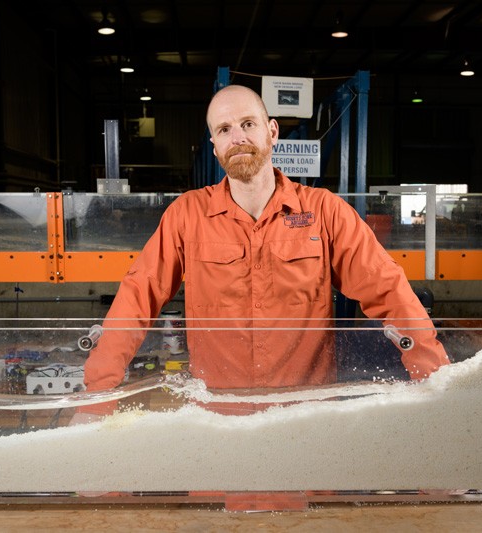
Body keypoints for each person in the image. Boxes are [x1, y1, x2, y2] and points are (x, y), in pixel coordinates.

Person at [83, 84, 449, 394]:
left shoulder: (325, 212)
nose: (237, 137)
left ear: (271, 131)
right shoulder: (186, 216)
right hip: (218, 419)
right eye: (224, 129)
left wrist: (435, 382)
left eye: (247, 124)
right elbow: (136, 298)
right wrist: (97, 393)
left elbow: (389, 290)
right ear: (214, 145)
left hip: (305, 417)